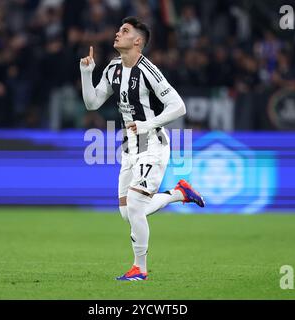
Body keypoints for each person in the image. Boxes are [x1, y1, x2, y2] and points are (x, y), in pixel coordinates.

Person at [80, 16, 205, 281]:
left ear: (137, 41)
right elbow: (92, 103)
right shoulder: (112, 68)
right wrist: (86, 73)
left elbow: (178, 106)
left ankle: (140, 269)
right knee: (128, 213)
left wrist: (149, 123)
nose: (117, 33)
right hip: (129, 146)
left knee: (136, 206)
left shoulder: (148, 70)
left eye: (124, 31)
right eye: (118, 29)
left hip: (153, 144)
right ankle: (178, 193)